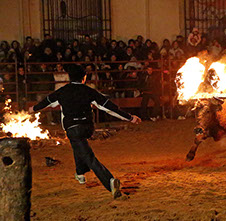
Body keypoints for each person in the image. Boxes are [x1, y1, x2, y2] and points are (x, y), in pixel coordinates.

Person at [28, 64, 141, 198]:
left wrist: (33, 109)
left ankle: (109, 181)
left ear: (69, 78)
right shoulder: (89, 91)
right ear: (84, 78)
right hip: (88, 128)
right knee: (79, 145)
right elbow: (109, 107)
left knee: (89, 157)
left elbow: (45, 102)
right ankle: (80, 173)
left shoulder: (62, 91)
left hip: (72, 128)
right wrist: (130, 118)